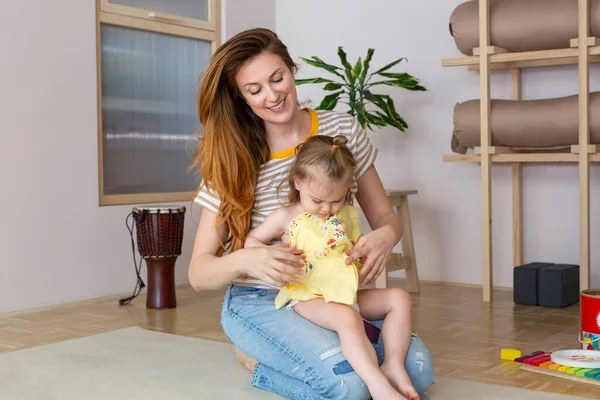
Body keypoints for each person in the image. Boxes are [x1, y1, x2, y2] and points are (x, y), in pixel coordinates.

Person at [188, 27, 434, 400]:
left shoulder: (340, 131)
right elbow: (198, 274)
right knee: (350, 386)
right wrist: (249, 258)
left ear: (291, 68)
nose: (272, 95)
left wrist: (385, 236)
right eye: (255, 90)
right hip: (264, 300)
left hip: (336, 292)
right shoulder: (232, 159)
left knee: (417, 371)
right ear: (241, 99)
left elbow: (388, 217)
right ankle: (255, 360)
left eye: (277, 78)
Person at [244, 134, 419, 400]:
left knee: (400, 298)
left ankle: (392, 363)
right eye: (318, 200)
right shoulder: (286, 216)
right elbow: (251, 241)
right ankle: (377, 385)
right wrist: (269, 254)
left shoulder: (345, 216)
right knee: (347, 319)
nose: (327, 209)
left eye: (336, 200)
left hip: (346, 295)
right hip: (307, 295)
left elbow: (352, 249)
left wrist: (361, 258)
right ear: (298, 181)